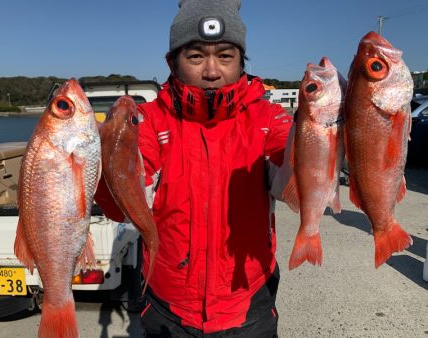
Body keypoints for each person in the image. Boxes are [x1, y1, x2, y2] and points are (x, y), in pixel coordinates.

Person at [94, 0, 292, 337]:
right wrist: (105, 154)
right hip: (168, 303)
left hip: (248, 302)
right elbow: (123, 201)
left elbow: (291, 184)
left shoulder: (268, 118)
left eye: (226, 56)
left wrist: (321, 139)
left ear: (242, 61)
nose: (212, 71)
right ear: (172, 62)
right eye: (196, 56)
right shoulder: (148, 121)